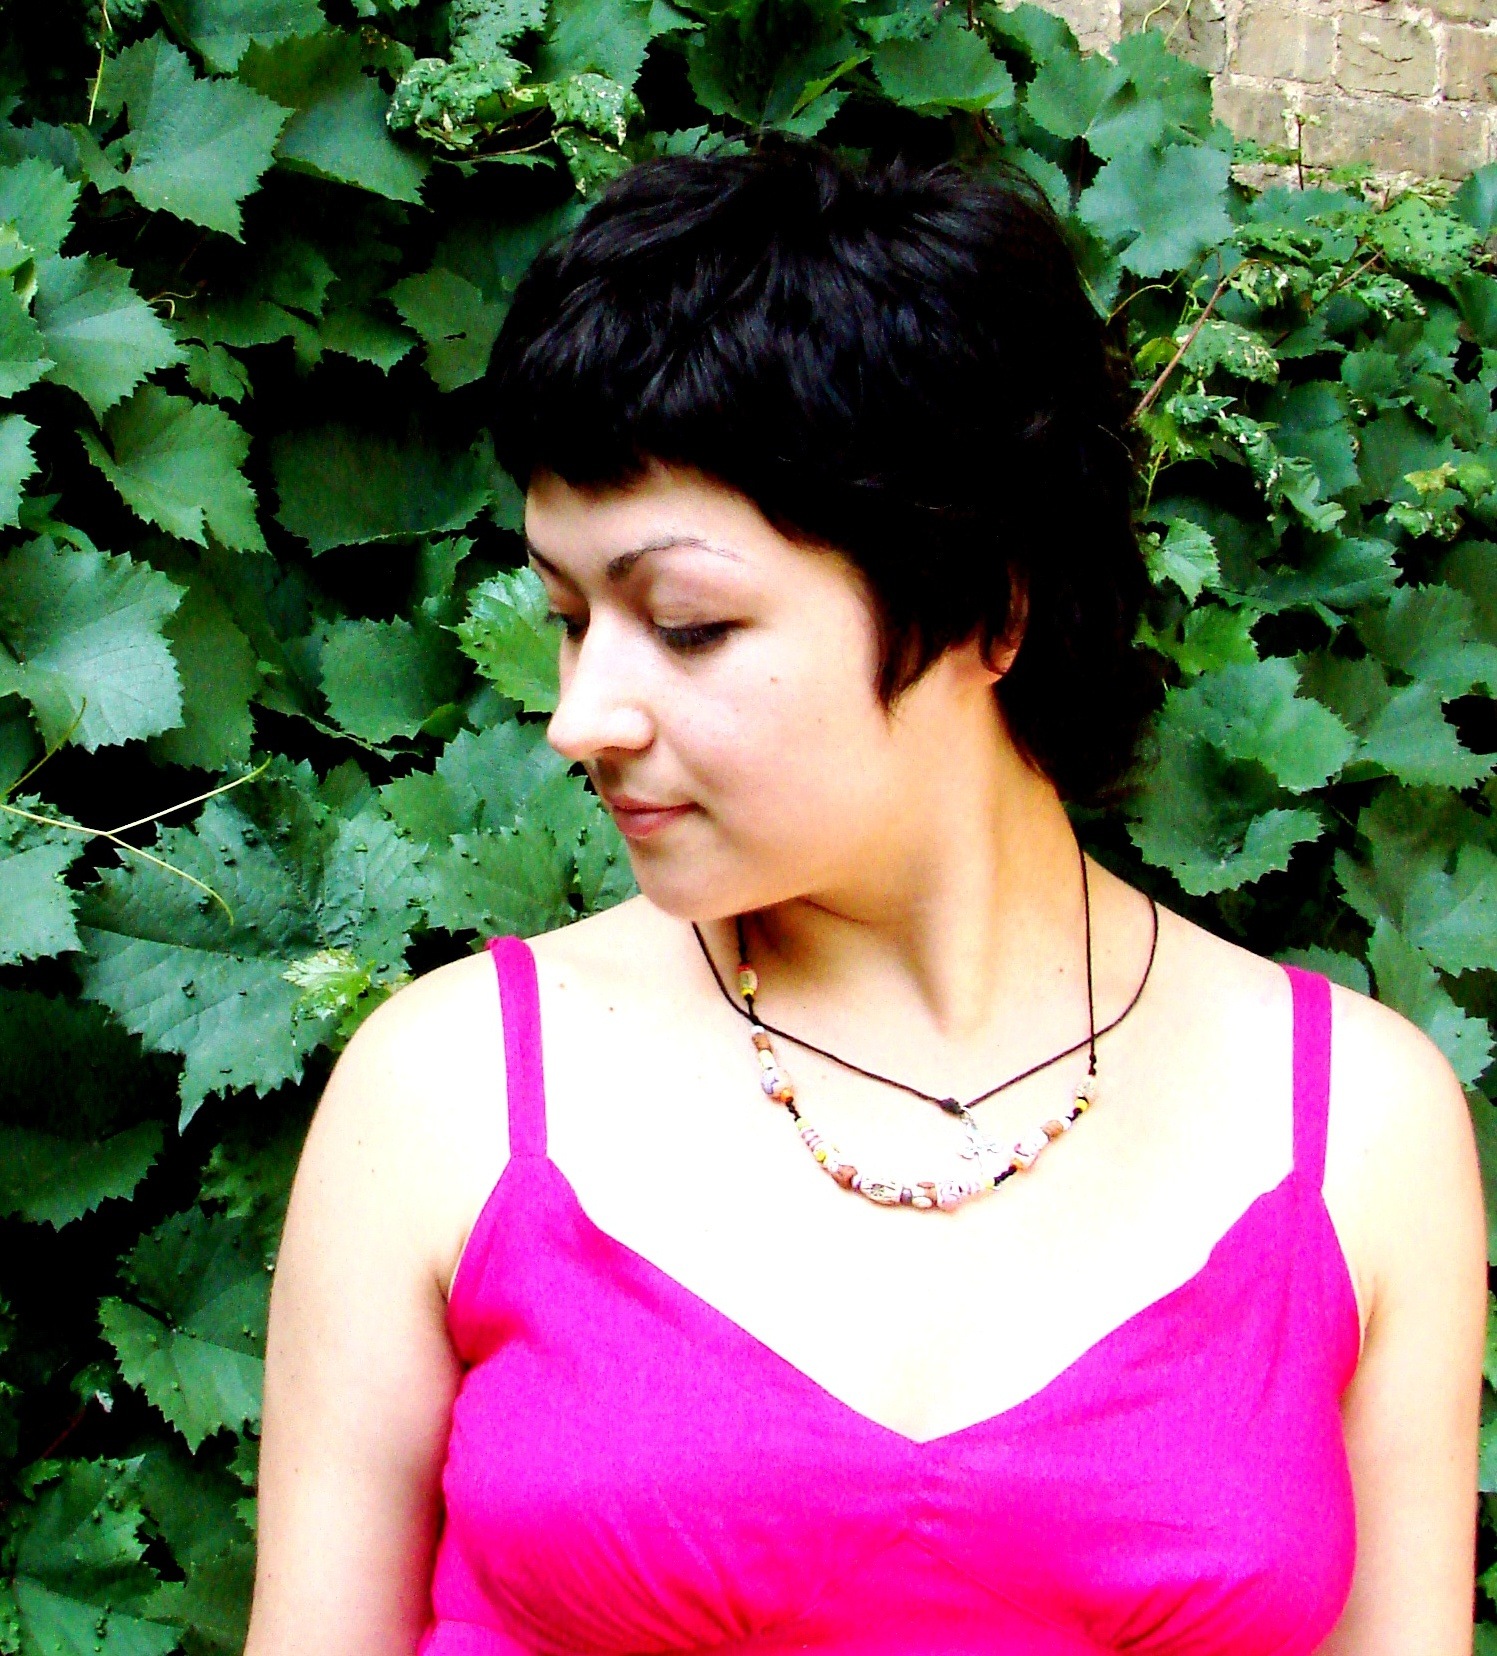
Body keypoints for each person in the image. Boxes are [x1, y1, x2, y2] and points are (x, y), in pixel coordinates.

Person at [244, 145, 1484, 1656]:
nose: (580, 716)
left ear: (989, 605)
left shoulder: (1356, 1127)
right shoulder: (448, 1093)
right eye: (569, 617)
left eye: (686, 625)